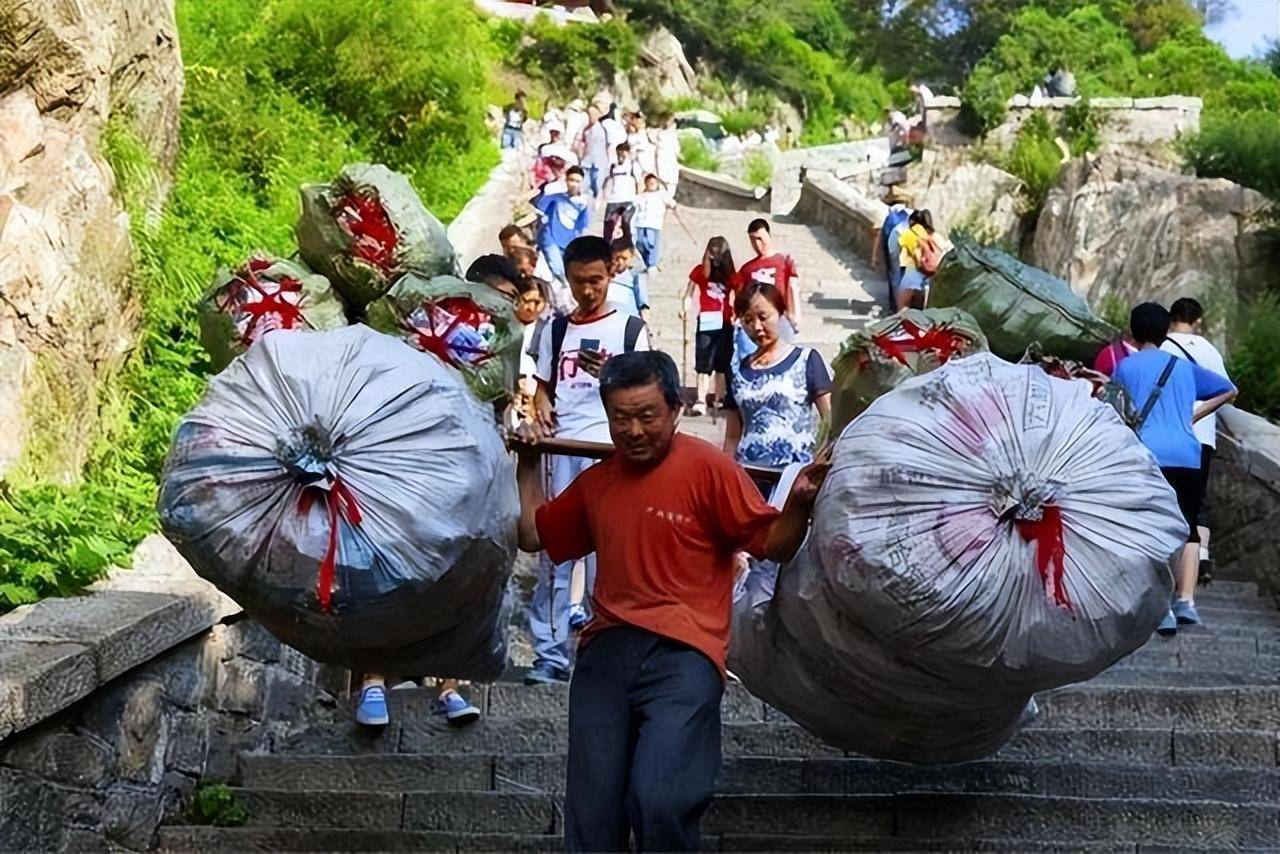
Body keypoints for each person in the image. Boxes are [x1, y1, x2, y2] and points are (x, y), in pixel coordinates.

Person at [513, 349, 830, 853]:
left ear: (676, 409)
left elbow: (773, 544)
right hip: (605, 656)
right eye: (621, 419)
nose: (634, 431)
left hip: (684, 656)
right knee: (593, 818)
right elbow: (533, 534)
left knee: (661, 799)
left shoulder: (708, 467)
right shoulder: (596, 484)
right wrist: (529, 462)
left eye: (647, 417)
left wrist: (798, 503)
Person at [526, 236, 651, 685]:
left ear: (610, 275)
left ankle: (605, 653)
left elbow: (648, 395)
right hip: (563, 451)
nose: (588, 290)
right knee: (558, 556)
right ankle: (550, 653)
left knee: (612, 559)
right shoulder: (555, 329)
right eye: (579, 282)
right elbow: (542, 386)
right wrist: (540, 404)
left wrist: (613, 380)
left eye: (596, 280)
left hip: (613, 455)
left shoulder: (630, 330)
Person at [1111, 302, 1236, 636]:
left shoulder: (1126, 367)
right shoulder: (1181, 368)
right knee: (1185, 529)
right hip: (1186, 455)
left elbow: (1112, 411)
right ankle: (1185, 602)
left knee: (1149, 529)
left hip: (1145, 456)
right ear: (1165, 330)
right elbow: (1229, 390)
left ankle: (1162, 607)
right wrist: (1191, 416)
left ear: (1134, 332)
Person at [723, 282, 832, 492]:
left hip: (797, 480)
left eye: (763, 317)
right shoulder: (736, 371)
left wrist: (818, 466)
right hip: (748, 479)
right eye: (747, 320)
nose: (756, 327)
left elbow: (830, 420)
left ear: (781, 313)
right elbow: (732, 437)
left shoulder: (807, 360)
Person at [1161, 297, 1231, 580]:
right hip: (1201, 438)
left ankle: (1169, 566)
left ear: (1171, 317)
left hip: (1166, 436)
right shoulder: (1209, 350)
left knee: (1167, 499)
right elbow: (1226, 390)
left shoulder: (1162, 348)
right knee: (1197, 500)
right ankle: (1200, 556)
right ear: (1198, 321)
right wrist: (1197, 416)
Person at [680, 236, 738, 417]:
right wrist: (685, 308)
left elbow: (739, 293)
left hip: (725, 322)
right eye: (710, 255)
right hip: (706, 321)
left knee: (722, 364)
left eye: (717, 256)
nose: (713, 260)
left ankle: (719, 397)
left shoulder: (730, 275)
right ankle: (700, 398)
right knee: (703, 362)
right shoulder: (700, 272)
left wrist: (738, 313)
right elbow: (689, 292)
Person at [738, 218, 801, 337]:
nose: (757, 244)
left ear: (768, 236)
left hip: (780, 320)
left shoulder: (784, 261)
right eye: (753, 240)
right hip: (756, 323)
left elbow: (793, 289)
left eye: (760, 238)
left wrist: (795, 316)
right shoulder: (746, 269)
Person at [534, 165, 592, 286]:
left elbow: (582, 228)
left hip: (568, 242)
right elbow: (537, 213)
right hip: (550, 240)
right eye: (571, 180)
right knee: (558, 270)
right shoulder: (554, 198)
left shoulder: (583, 204)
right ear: (566, 180)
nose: (574, 184)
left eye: (577, 181)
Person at [873, 192, 913, 313]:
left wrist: (877, 256)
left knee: (895, 275)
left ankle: (896, 307)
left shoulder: (890, 216)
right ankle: (908, 306)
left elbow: (882, 236)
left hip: (894, 245)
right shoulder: (910, 214)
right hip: (909, 244)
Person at [896, 209, 938, 312]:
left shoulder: (908, 235)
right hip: (929, 277)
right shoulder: (934, 236)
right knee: (922, 313)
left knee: (902, 308)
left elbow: (900, 252)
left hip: (912, 273)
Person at [631, 173, 675, 273]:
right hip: (640, 223)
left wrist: (672, 205)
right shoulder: (640, 196)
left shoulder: (661, 194)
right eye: (649, 182)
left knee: (652, 243)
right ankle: (648, 263)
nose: (651, 184)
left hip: (654, 223)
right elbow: (633, 207)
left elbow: (671, 202)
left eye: (653, 182)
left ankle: (653, 264)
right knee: (640, 243)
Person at [601, 141, 641, 243]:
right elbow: (607, 181)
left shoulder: (633, 166)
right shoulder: (613, 166)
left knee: (627, 226)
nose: (621, 155)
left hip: (628, 199)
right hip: (613, 199)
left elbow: (639, 182)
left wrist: (638, 197)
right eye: (619, 153)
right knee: (608, 227)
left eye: (624, 153)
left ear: (628, 153)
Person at [605, 237, 651, 326]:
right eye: (617, 258)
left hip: (628, 314)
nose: (620, 262)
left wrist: (644, 311)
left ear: (631, 256)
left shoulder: (634, 274)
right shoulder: (605, 274)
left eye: (624, 258)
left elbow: (641, 294)